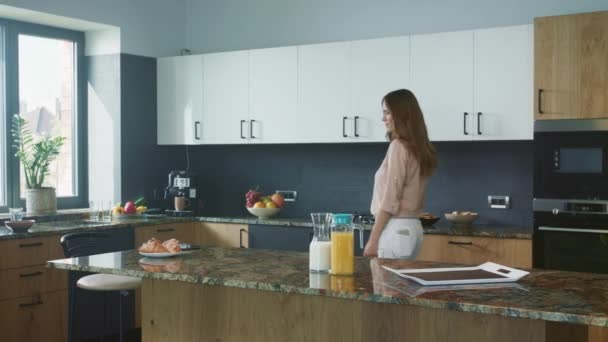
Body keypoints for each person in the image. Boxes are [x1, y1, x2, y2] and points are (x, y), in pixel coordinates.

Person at [363, 89, 437, 259]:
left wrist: (373, 240)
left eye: (387, 112)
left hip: (395, 229)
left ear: (401, 114)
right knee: (402, 286)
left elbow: (390, 201)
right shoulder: (420, 148)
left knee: (385, 286)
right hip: (413, 229)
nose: (383, 119)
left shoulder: (398, 146)